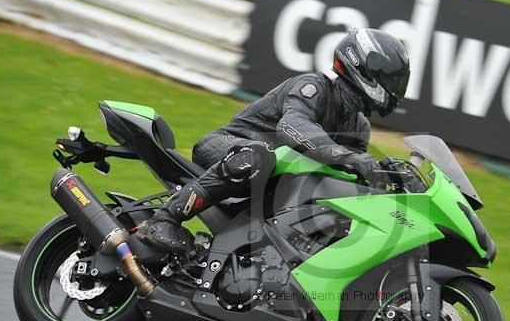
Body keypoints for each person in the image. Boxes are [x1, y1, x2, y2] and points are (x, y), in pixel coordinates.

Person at [137, 28, 411, 253]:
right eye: (390, 79)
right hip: (229, 148)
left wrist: (386, 176)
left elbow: (348, 181)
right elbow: (292, 126)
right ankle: (165, 219)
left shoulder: (358, 126)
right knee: (259, 156)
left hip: (271, 183)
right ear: (364, 67)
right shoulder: (313, 86)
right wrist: (347, 157)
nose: (394, 88)